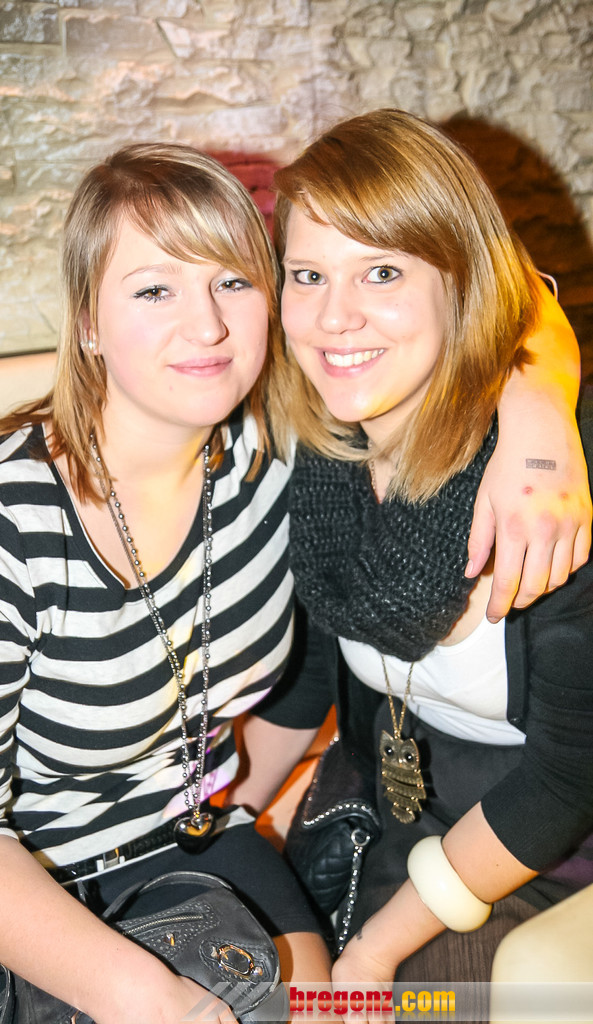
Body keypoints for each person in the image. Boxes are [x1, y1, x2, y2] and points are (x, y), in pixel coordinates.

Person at [0, 137, 588, 1024]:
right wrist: (146, 996)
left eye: (232, 281)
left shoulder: (276, 459)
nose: (207, 327)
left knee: (331, 1012)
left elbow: (499, 282)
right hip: (7, 881)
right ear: (86, 323)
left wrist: (540, 419)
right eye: (154, 290)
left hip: (193, 841)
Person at [239, 109, 593, 996]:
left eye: (382, 271)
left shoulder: (551, 484)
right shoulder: (326, 453)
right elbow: (315, 664)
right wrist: (225, 813)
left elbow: (566, 779)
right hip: (398, 802)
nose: (333, 317)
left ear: (460, 285)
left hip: (549, 849)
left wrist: (373, 951)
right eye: (308, 275)